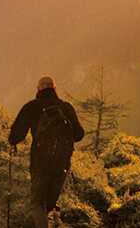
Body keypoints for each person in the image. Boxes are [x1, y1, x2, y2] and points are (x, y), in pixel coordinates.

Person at [9, 76, 85, 228]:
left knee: (37, 203)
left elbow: (16, 135)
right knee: (49, 203)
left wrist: (13, 142)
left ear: (38, 90)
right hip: (62, 163)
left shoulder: (32, 107)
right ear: (54, 89)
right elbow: (79, 134)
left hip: (40, 162)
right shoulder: (66, 108)